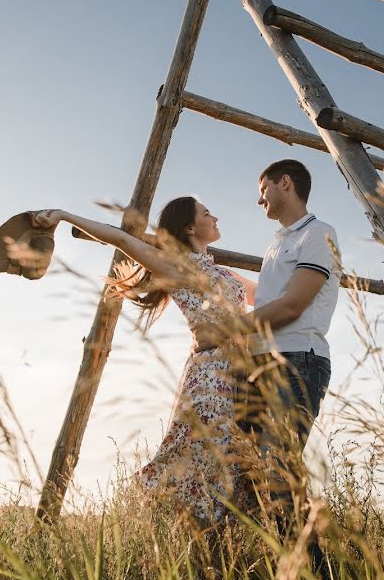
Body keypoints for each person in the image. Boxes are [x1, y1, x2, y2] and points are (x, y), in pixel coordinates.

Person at [31, 197, 257, 522]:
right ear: (191, 227)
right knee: (198, 454)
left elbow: (269, 293)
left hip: (241, 377)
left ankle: (210, 543)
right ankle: (148, 515)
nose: (216, 216)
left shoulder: (225, 273)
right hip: (209, 376)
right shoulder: (178, 267)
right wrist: (64, 215)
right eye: (208, 213)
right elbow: (122, 239)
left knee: (232, 459)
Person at [197, 159, 340, 543]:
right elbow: (267, 297)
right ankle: (264, 564)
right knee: (244, 469)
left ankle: (313, 579)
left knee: (278, 473)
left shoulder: (318, 235)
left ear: (285, 184)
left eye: (263, 189)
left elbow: (293, 306)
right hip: (260, 364)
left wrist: (226, 330)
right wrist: (212, 274)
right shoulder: (278, 244)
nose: (259, 198)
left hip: (296, 361)